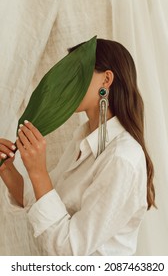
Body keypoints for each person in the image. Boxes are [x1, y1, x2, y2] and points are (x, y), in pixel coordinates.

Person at [0, 38, 155, 256]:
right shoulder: (83, 140)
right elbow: (42, 202)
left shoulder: (121, 158)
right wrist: (6, 168)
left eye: (77, 72)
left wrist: (38, 171)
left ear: (106, 80)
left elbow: (71, 250)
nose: (66, 83)